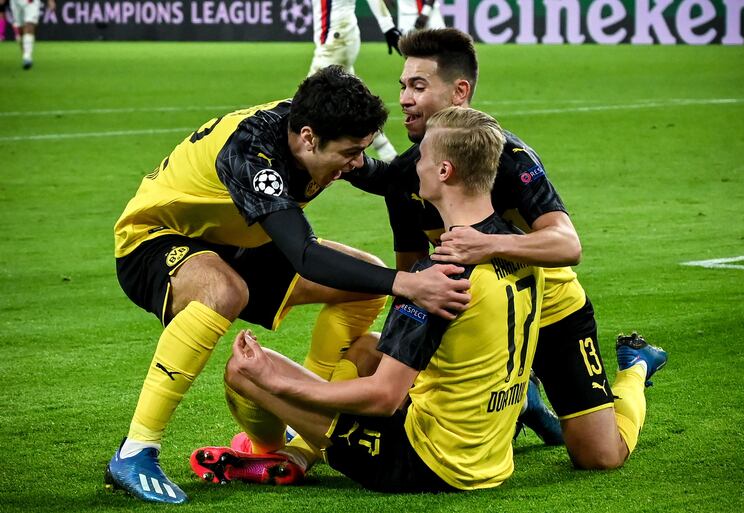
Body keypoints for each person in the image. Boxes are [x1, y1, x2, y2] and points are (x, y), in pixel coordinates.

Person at [104, 65, 471, 504]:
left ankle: (303, 419)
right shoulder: (252, 151)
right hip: (154, 238)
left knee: (363, 281)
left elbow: (381, 177)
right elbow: (304, 254)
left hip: (239, 238)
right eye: (351, 151)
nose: (357, 162)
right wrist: (405, 284)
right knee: (224, 291)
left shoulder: (313, 134)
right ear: (310, 138)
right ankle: (136, 450)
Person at [346, 28, 668, 470]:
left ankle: (636, 368)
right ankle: (522, 401)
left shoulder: (507, 156)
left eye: (418, 86)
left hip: (550, 311)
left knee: (600, 456)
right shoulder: (411, 174)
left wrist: (488, 244)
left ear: (460, 92)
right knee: (371, 358)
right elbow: (410, 274)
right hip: (476, 323)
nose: (403, 98)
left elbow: (567, 243)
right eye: (402, 85)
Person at [189, 106, 546, 492]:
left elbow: (383, 398)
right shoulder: (518, 246)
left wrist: (281, 385)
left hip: (425, 462)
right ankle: (298, 451)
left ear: (444, 172)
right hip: (490, 453)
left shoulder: (436, 277)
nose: (414, 166)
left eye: (421, 156)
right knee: (367, 349)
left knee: (246, 371)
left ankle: (283, 449)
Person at [308, 0, 402, 162]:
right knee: (357, 101)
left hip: (338, 39)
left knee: (307, 98)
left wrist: (387, 25)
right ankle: (390, 156)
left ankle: (286, 157)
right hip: (339, 37)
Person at [8, 0, 54, 69]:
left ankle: (27, 57)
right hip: (16, 2)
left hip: (32, 1)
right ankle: (25, 53)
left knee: (30, 24)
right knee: (20, 29)